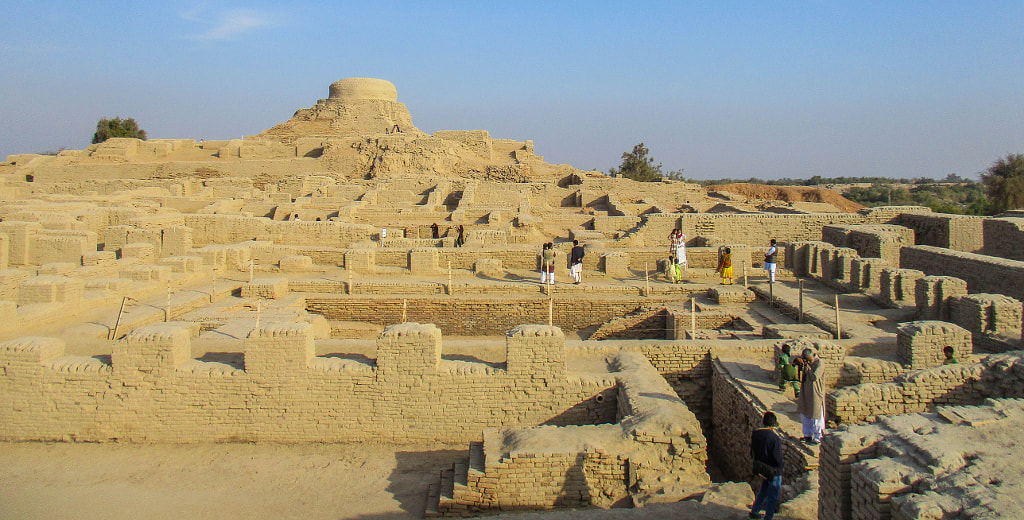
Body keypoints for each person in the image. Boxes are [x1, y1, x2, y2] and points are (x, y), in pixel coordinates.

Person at [749, 411, 784, 520]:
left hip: (762, 468)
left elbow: (752, 451)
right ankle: (768, 517)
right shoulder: (774, 439)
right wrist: (780, 467)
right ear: (773, 425)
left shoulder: (756, 434)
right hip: (772, 470)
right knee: (773, 495)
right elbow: (777, 458)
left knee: (763, 491)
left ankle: (754, 512)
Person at [797, 348, 826, 444]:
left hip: (815, 393)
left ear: (813, 356)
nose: (808, 361)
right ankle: (807, 435)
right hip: (806, 391)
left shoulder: (820, 363)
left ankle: (818, 437)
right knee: (805, 414)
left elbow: (814, 377)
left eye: (809, 360)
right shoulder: (807, 362)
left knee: (816, 416)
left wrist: (808, 366)